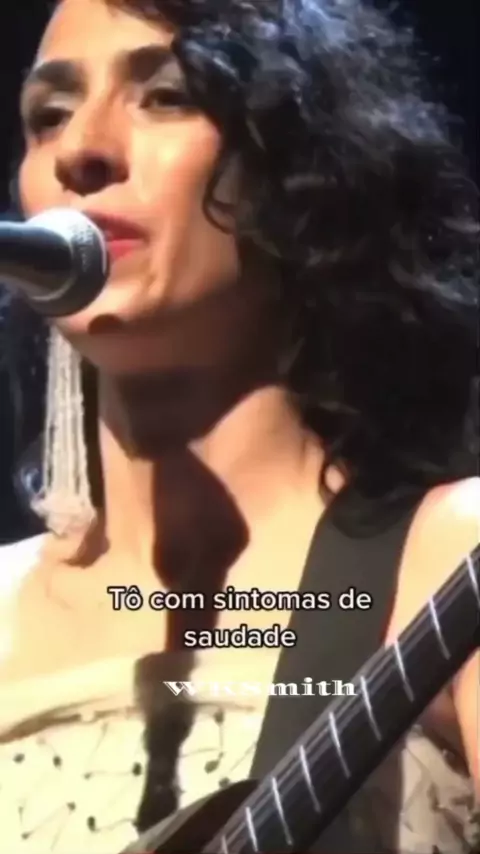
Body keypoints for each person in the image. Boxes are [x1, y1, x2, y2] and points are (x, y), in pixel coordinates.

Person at [0, 0, 479, 850]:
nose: (81, 150)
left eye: (166, 97)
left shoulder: (445, 566)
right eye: (50, 115)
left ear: (301, 175)